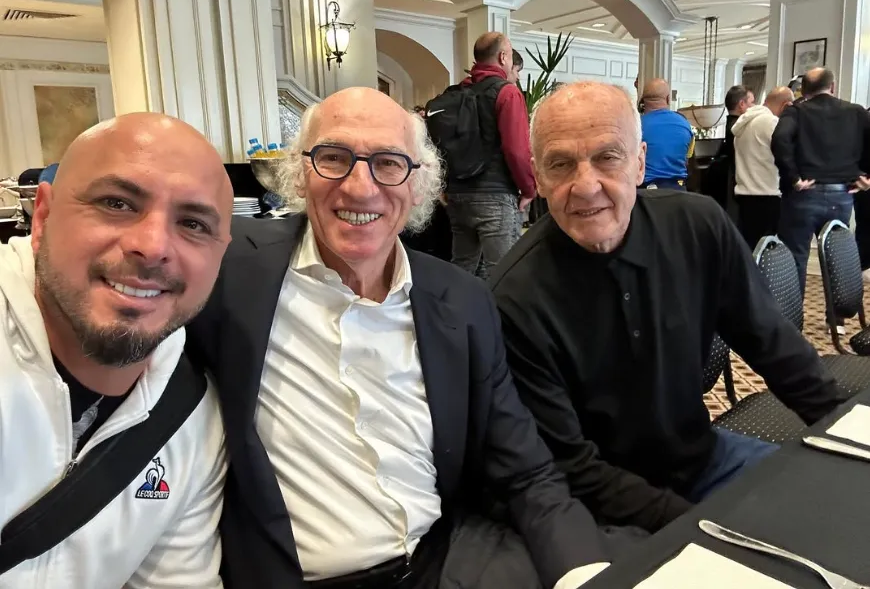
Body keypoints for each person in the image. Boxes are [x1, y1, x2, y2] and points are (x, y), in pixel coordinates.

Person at [186, 87, 645, 589]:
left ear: (419, 185)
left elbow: (525, 472)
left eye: (388, 163)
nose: (361, 189)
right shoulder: (227, 276)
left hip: (446, 559)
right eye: (334, 158)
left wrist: (581, 574)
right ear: (301, 171)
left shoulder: (463, 301)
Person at [489, 81, 843, 535]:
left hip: (705, 457)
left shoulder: (698, 224)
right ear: (537, 177)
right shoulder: (512, 299)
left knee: (833, 507)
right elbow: (571, 465)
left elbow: (770, 342)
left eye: (607, 157)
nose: (585, 185)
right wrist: (697, 528)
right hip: (604, 503)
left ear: (639, 162)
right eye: (561, 164)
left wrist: (841, 429)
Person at [1, 113, 233, 587]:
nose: (152, 246)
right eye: (117, 203)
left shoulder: (194, 423)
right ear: (42, 217)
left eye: (192, 223)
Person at [443, 32, 536, 279]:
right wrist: (529, 189)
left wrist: (445, 185)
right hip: (495, 194)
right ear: (504, 57)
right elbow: (516, 150)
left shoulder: (457, 91)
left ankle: (457, 316)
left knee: (463, 267)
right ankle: (500, 319)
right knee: (505, 271)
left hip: (457, 193)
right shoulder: (507, 92)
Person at [772, 67, 870, 295]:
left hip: (803, 194)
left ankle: (793, 321)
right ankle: (836, 321)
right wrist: (866, 175)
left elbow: (780, 139)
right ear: (832, 87)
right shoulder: (855, 111)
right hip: (842, 193)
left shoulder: (795, 112)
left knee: (796, 257)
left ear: (803, 90)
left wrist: (793, 177)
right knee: (837, 258)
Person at [732, 86, 794, 248]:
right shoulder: (771, 123)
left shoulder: (745, 122)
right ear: (786, 106)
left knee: (750, 247)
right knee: (767, 252)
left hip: (745, 193)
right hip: (766, 194)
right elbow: (787, 154)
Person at [638, 78, 694, 190]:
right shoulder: (685, 124)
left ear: (643, 101)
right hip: (678, 189)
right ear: (668, 99)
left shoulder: (635, 126)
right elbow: (688, 160)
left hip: (646, 192)